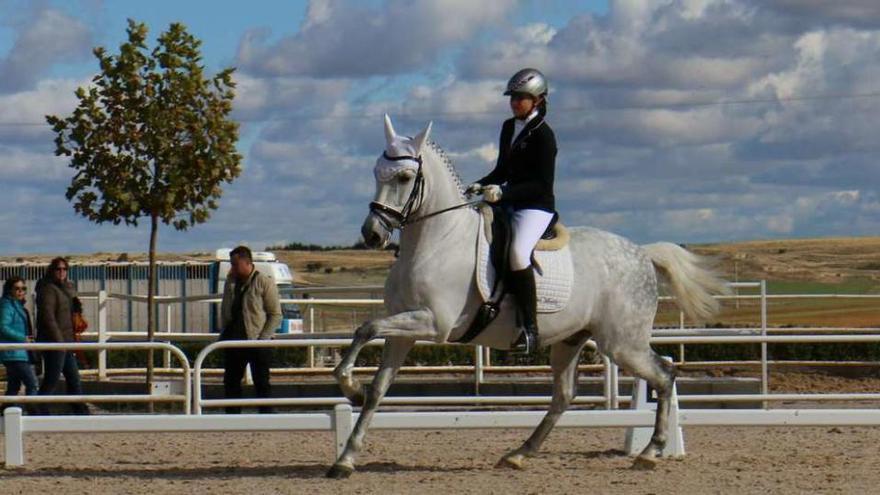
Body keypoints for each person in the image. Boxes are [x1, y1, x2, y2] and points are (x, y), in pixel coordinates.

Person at [465, 68, 557, 355]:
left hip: (536, 206)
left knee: (518, 253)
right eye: (513, 97)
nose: (515, 102)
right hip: (509, 201)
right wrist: (482, 183)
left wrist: (505, 192)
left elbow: (540, 184)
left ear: (538, 100)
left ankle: (530, 330)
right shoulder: (508, 127)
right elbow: (503, 169)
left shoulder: (544, 136)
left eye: (521, 98)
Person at [219, 246, 282, 413]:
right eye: (231, 264)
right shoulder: (231, 282)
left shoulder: (264, 282)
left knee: (262, 382)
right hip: (233, 340)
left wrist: (262, 340)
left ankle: (266, 418)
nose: (232, 268)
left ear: (247, 263)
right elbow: (225, 308)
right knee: (231, 382)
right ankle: (232, 418)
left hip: (256, 341)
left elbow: (275, 314)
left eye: (235, 264)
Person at [36, 257, 88, 415]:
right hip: (55, 342)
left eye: (64, 269)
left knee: (73, 377)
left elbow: (72, 310)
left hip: (67, 340)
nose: (62, 272)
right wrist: (58, 341)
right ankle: (39, 407)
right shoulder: (47, 289)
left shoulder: (67, 288)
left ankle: (80, 409)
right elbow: (48, 316)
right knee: (52, 378)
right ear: (52, 271)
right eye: (58, 269)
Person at [0, 277, 39, 413]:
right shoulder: (7, 305)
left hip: (18, 352)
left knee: (14, 386)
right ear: (9, 290)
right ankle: (34, 412)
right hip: (14, 352)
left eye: (23, 288)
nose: (20, 291)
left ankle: (4, 412)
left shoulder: (17, 305)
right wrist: (22, 338)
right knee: (32, 383)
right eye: (17, 288)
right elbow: (3, 327)